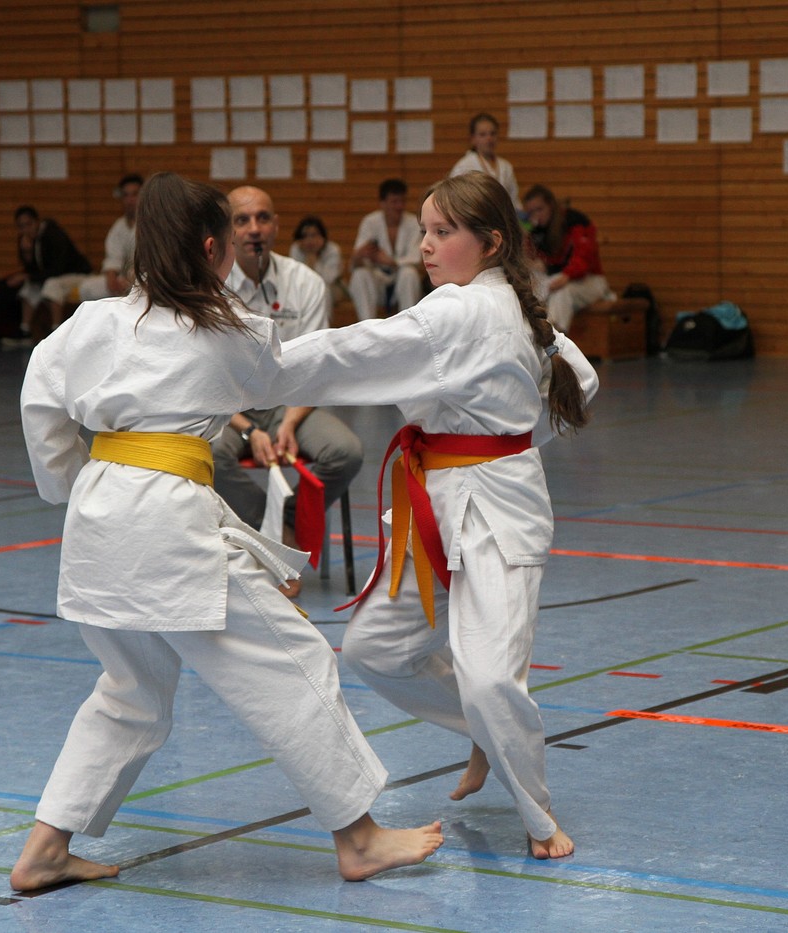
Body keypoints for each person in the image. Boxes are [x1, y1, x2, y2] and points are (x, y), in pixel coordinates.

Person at [10, 172, 443, 892]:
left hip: (98, 517)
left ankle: (45, 848)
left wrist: (67, 480)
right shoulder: (223, 332)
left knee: (131, 691)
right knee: (294, 661)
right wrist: (427, 340)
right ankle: (360, 837)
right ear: (214, 249)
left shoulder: (90, 323)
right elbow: (309, 368)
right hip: (166, 524)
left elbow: (39, 399)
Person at [259, 171, 599, 861]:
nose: (426, 245)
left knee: (493, 677)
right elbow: (582, 380)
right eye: (424, 231)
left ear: (491, 242)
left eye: (444, 232)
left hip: (499, 510)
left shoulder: (466, 310)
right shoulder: (481, 305)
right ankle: (485, 731)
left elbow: (349, 351)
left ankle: (539, 815)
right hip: (433, 501)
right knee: (375, 649)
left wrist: (249, 366)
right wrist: (511, 438)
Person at [215, 189, 364, 600]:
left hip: (291, 405)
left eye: (263, 218)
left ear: (277, 226)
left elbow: (318, 366)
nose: (254, 229)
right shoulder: (210, 286)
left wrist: (291, 422)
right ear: (228, 230)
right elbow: (207, 376)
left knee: (346, 451)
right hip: (229, 409)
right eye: (242, 220)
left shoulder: (306, 283)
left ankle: (287, 522)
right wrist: (249, 431)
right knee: (206, 454)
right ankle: (274, 534)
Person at [522, 184, 614, 333]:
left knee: (561, 292)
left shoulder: (575, 222)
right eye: (531, 212)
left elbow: (584, 257)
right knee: (534, 290)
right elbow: (530, 261)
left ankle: (552, 336)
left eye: (540, 209)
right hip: (555, 280)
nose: (537, 215)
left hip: (589, 280)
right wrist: (525, 234)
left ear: (551, 205)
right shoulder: (535, 230)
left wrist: (567, 275)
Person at [3, 205, 93, 348]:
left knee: (52, 285)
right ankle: (25, 330)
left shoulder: (53, 235)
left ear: (36, 221)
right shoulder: (27, 240)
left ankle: (57, 330)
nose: (26, 230)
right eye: (21, 226)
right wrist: (27, 254)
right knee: (30, 287)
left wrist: (28, 276)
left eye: (28, 224)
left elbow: (57, 269)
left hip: (76, 275)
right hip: (54, 276)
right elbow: (33, 270)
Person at [348, 178, 423, 321]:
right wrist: (359, 255)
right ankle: (366, 325)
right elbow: (356, 262)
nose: (399, 206)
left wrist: (390, 262)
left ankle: (410, 324)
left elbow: (416, 258)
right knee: (359, 274)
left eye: (402, 201)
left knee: (409, 273)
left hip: (402, 280)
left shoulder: (413, 223)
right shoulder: (370, 222)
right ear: (382, 203)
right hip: (377, 281)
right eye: (394, 202)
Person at [76, 173, 143, 302]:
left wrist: (132, 277)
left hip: (143, 278)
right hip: (123, 278)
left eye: (134, 194)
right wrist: (111, 277)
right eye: (126, 195)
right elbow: (113, 257)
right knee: (87, 288)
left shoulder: (151, 223)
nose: (130, 200)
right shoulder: (119, 226)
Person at [449, 112, 521, 213]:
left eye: (493, 133)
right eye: (483, 134)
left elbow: (514, 201)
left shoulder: (506, 166)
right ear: (473, 139)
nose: (489, 139)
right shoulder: (464, 166)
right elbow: (453, 199)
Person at [288, 215, 343, 318]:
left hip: (333, 288)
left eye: (314, 235)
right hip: (303, 287)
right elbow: (296, 277)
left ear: (322, 237)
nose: (310, 240)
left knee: (323, 288)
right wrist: (309, 258)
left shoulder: (332, 249)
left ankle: (325, 322)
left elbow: (329, 278)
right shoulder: (296, 249)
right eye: (305, 236)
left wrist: (314, 259)